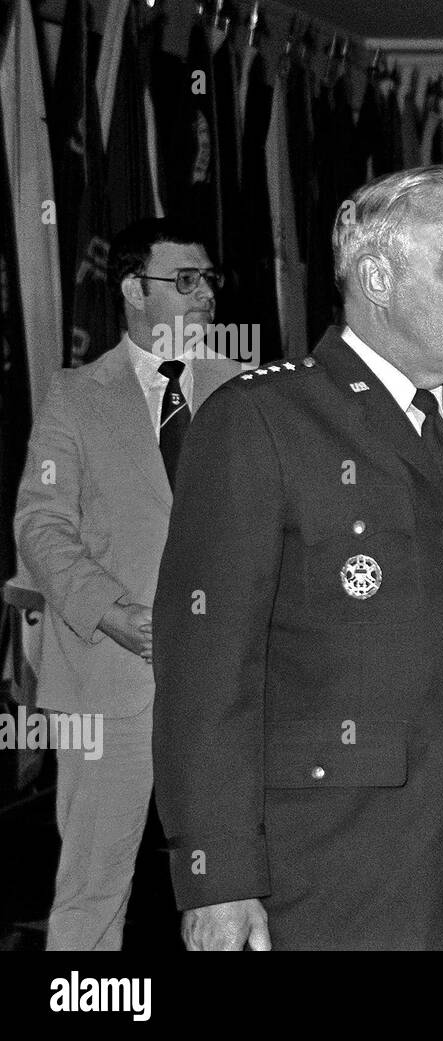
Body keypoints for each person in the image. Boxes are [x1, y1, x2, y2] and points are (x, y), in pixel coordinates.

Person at [150, 166, 443, 951]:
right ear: (377, 276)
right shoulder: (263, 421)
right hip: (325, 883)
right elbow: (206, 674)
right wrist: (217, 877)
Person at [13, 218, 244, 950]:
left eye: (209, 279)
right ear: (132, 290)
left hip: (226, 685)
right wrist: (114, 615)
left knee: (235, 887)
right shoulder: (75, 396)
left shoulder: (245, 389)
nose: (205, 295)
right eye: (186, 281)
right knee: (93, 894)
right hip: (109, 684)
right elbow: (41, 527)